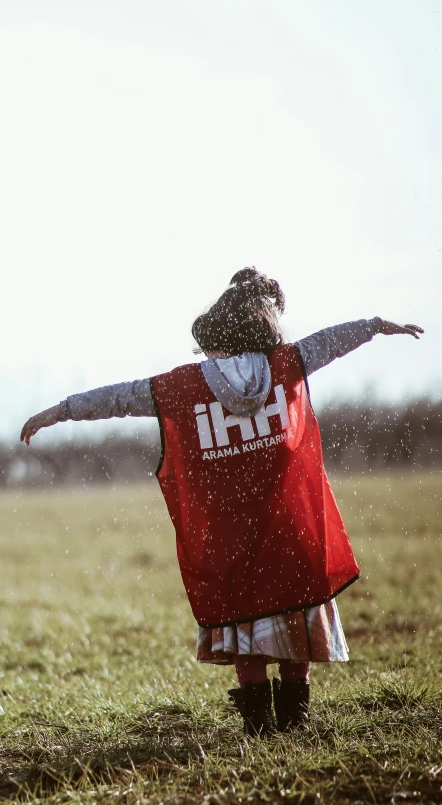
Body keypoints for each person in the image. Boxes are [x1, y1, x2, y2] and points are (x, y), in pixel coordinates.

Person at [20, 267, 424, 737]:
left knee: (243, 621)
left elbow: (120, 398)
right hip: (291, 531)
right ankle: (296, 715)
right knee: (298, 614)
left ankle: (257, 721)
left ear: (216, 337)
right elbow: (331, 340)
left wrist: (61, 409)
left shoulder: (184, 386)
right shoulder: (287, 365)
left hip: (230, 543)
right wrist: (376, 325)